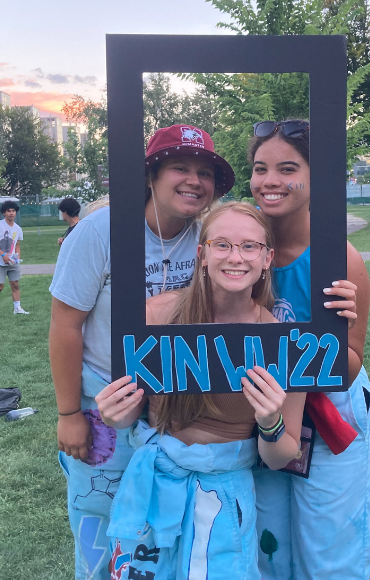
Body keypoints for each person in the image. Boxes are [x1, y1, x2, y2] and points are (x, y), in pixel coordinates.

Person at [93, 202, 350, 579]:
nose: (236, 257)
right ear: (202, 255)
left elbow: (281, 456)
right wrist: (115, 412)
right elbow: (132, 411)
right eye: (222, 245)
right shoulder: (155, 316)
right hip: (153, 487)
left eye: (250, 246)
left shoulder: (284, 341)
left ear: (267, 259)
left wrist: (269, 420)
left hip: (225, 498)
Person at [49, 124, 233, 580]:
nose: (194, 180)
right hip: (102, 401)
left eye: (204, 172)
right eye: (180, 168)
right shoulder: (99, 231)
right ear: (151, 174)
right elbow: (66, 326)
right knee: (100, 522)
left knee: (161, 532)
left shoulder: (208, 238)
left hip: (174, 406)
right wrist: (70, 412)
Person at [247, 119, 370, 580]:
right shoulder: (240, 251)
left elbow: (348, 367)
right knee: (268, 547)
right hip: (259, 412)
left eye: (287, 168)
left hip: (328, 414)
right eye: (261, 168)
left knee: (329, 551)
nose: (270, 181)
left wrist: (338, 331)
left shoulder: (339, 258)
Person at [0, 199, 28, 314]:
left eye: (13, 211)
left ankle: (17, 308)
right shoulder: (0, 225)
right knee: (0, 286)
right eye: (8, 211)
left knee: (15, 284)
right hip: (1, 261)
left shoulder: (18, 228)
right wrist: (3, 255)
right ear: (4, 213)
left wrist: (17, 257)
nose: (11, 213)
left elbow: (17, 244)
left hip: (12, 262)